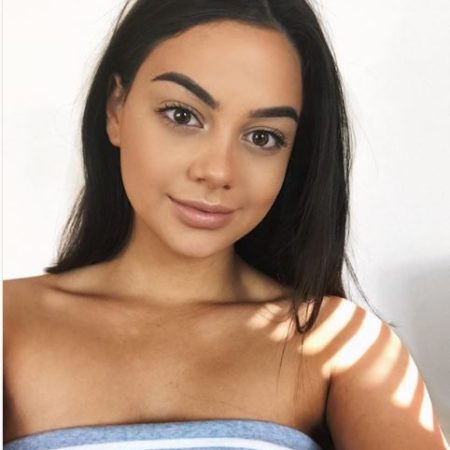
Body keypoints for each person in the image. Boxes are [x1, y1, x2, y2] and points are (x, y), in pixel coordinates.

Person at [3, 1, 448, 449]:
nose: (218, 171)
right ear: (116, 109)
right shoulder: (10, 322)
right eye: (182, 115)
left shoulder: (338, 342)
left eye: (262, 137)